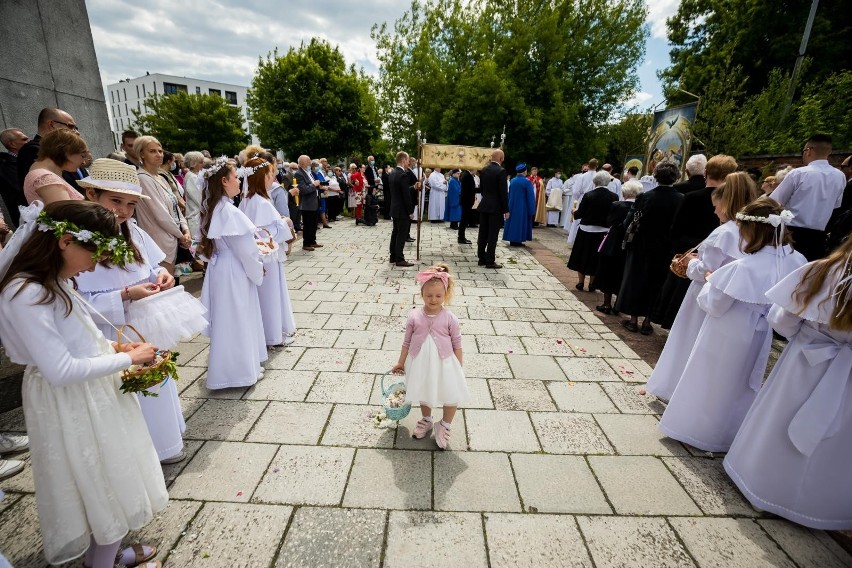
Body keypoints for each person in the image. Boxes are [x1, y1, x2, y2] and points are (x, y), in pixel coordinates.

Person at [0, 200, 166, 568]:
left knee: (111, 473)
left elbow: (79, 338)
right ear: (65, 241)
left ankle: (104, 554)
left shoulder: (55, 283)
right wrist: (129, 359)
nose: (102, 259)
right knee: (96, 480)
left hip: (92, 391)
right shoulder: (25, 294)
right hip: (69, 401)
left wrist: (116, 345)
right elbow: (59, 368)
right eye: (98, 249)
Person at [75, 159, 205, 466]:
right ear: (92, 195)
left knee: (155, 381)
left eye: (130, 204)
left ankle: (166, 441)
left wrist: (161, 275)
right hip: (112, 333)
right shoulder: (78, 242)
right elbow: (78, 301)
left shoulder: (132, 232)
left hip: (143, 324)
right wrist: (123, 294)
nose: (122, 211)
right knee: (127, 394)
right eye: (115, 201)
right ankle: (140, 454)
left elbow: (150, 267)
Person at [723, 234, 852, 530]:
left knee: (781, 418)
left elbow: (782, 319)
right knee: (837, 435)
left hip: (806, 360)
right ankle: (817, 506)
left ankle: (762, 482)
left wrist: (806, 337)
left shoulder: (822, 271)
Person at [658, 197, 807, 452]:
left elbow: (714, 303)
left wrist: (710, 278)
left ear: (751, 230)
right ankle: (729, 433)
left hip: (726, 330)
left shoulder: (744, 266)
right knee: (743, 382)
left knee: (711, 379)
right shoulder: (797, 260)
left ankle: (697, 431)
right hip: (761, 332)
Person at [645, 173, 759, 401]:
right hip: (732, 300)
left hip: (704, 295)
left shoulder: (725, 231)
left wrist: (691, 262)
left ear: (726, 203)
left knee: (688, 339)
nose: (714, 212)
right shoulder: (751, 231)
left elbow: (707, 272)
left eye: (716, 206)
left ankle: (673, 387)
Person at [197, 158, 267, 389]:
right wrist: (258, 270)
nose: (239, 180)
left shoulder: (215, 208)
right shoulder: (228, 211)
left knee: (227, 320)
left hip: (220, 271)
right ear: (224, 181)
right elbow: (246, 252)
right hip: (233, 272)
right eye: (236, 176)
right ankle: (239, 372)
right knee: (237, 319)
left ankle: (232, 369)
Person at [651, 154, 738, 329]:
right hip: (717, 264)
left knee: (680, 301)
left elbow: (675, 229)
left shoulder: (690, 197)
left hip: (689, 255)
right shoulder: (736, 202)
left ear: (706, 173)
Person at [391, 264, 468, 450]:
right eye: (429, 295)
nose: (433, 299)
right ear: (421, 293)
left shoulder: (450, 318)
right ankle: (427, 419)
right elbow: (407, 342)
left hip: (445, 362)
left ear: (445, 294)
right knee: (424, 389)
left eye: (438, 296)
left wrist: (458, 366)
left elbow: (457, 344)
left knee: (451, 392)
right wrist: (401, 362)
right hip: (420, 361)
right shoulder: (414, 316)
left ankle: (445, 424)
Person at [615, 162, 684, 334]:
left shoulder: (645, 197)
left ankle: (633, 320)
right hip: (665, 248)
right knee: (657, 283)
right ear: (676, 177)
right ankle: (648, 321)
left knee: (636, 281)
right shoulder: (681, 199)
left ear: (655, 176)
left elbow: (632, 220)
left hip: (641, 246)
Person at [238, 155, 297, 347]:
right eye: (270, 174)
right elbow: (267, 234)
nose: (273, 178)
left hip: (260, 256)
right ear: (262, 177)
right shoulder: (261, 202)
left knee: (265, 296)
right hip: (267, 257)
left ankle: (268, 332)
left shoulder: (248, 200)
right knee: (271, 296)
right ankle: (273, 335)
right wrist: (285, 223)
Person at [771, 134, 846, 261]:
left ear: (809, 151)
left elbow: (773, 202)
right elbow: (836, 206)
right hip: (819, 238)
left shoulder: (798, 173)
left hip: (792, 235)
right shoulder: (840, 176)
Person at [133, 136, 191, 277]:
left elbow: (175, 207)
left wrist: (186, 229)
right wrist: (181, 235)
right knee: (163, 285)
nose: (159, 155)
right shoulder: (142, 178)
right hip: (158, 241)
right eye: (152, 151)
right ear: (142, 154)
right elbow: (161, 215)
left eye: (160, 151)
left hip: (172, 238)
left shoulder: (160, 177)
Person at [594, 180, 643, 314]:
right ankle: (618, 305)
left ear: (624, 192)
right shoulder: (641, 207)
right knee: (622, 274)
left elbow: (609, 221)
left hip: (613, 243)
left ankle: (607, 303)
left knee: (608, 273)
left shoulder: (617, 205)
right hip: (629, 244)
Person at [568, 170, 618, 291]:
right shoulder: (614, 196)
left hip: (586, 230)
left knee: (582, 255)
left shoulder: (588, 195)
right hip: (602, 231)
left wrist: (574, 212)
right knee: (596, 258)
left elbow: (579, 214)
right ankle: (592, 283)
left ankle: (580, 282)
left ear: (595, 182)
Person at [16, 107, 79, 191]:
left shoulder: (61, 148)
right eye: (71, 126)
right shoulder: (33, 150)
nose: (76, 132)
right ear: (51, 125)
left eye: (76, 128)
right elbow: (56, 186)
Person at [22, 129, 87, 204]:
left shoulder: (44, 174)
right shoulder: (45, 177)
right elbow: (65, 213)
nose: (83, 162)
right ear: (66, 151)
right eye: (82, 156)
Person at [477, 149, 509, 268]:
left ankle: (481, 257)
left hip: (484, 205)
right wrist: (506, 209)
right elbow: (503, 193)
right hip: (495, 207)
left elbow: (482, 189)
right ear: (501, 158)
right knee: (493, 234)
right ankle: (490, 260)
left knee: (483, 232)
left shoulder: (484, 169)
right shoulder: (501, 171)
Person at [389, 151, 415, 267]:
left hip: (395, 207)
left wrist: (412, 187)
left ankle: (393, 256)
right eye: (408, 160)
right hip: (402, 209)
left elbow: (400, 191)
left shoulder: (393, 173)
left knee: (395, 232)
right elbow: (406, 195)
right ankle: (400, 259)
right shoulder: (403, 175)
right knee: (401, 234)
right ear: (403, 160)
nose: (408, 162)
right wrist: (410, 211)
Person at [0, 128, 29, 228]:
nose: (28, 142)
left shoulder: (23, 161)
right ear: (12, 144)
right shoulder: (6, 166)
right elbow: (24, 188)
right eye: (24, 139)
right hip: (27, 219)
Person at [502, 163, 536, 247]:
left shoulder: (512, 180)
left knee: (513, 223)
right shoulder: (527, 182)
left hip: (512, 205)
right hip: (522, 207)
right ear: (524, 171)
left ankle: (512, 239)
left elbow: (509, 194)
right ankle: (518, 241)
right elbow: (530, 196)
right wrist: (532, 209)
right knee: (520, 223)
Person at [295, 155, 322, 250]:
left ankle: (312, 241)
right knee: (308, 224)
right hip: (307, 204)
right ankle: (306, 243)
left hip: (314, 202)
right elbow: (303, 190)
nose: (310, 163)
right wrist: (314, 185)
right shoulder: (299, 173)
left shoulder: (308, 172)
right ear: (303, 163)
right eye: (308, 162)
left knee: (314, 224)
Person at [182, 151, 205, 240]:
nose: (202, 164)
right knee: (197, 246)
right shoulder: (192, 177)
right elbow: (199, 198)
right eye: (200, 162)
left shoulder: (195, 175)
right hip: (195, 216)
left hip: (197, 216)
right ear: (193, 163)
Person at [458, 169, 476, 244]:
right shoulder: (467, 176)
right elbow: (469, 190)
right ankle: (461, 237)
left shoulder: (466, 175)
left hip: (466, 200)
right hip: (467, 201)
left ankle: (462, 236)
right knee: (464, 220)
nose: (476, 171)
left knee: (464, 219)